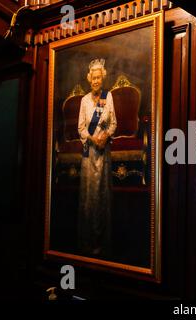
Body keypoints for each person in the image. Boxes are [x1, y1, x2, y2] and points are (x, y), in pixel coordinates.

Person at [77, 58, 117, 257]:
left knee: (101, 195)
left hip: (103, 152)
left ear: (103, 78)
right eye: (93, 78)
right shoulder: (84, 100)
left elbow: (113, 124)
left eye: (99, 78)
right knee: (89, 196)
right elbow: (81, 128)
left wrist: (106, 136)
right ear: (88, 78)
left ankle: (102, 243)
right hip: (89, 152)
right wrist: (93, 139)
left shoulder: (107, 97)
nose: (96, 81)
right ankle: (87, 242)